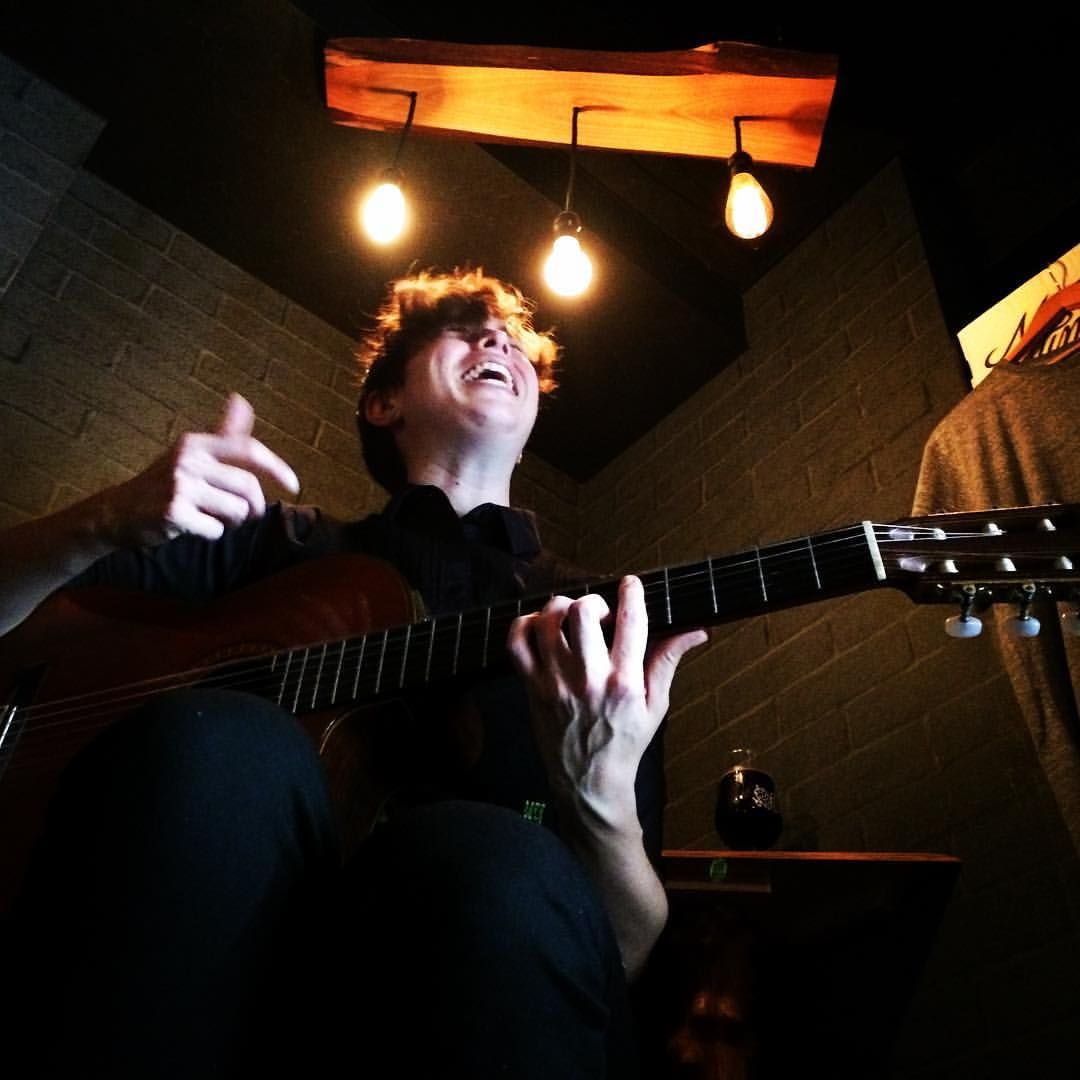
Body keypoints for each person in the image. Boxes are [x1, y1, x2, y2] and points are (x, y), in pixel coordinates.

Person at [0, 267, 707, 1078]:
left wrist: (600, 803)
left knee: (498, 863)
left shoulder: (599, 633)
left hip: (448, 998)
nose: (498, 338)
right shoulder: (275, 545)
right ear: (384, 404)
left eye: (514, 340)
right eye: (461, 327)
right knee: (225, 742)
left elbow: (624, 953)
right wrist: (103, 521)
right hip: (181, 966)